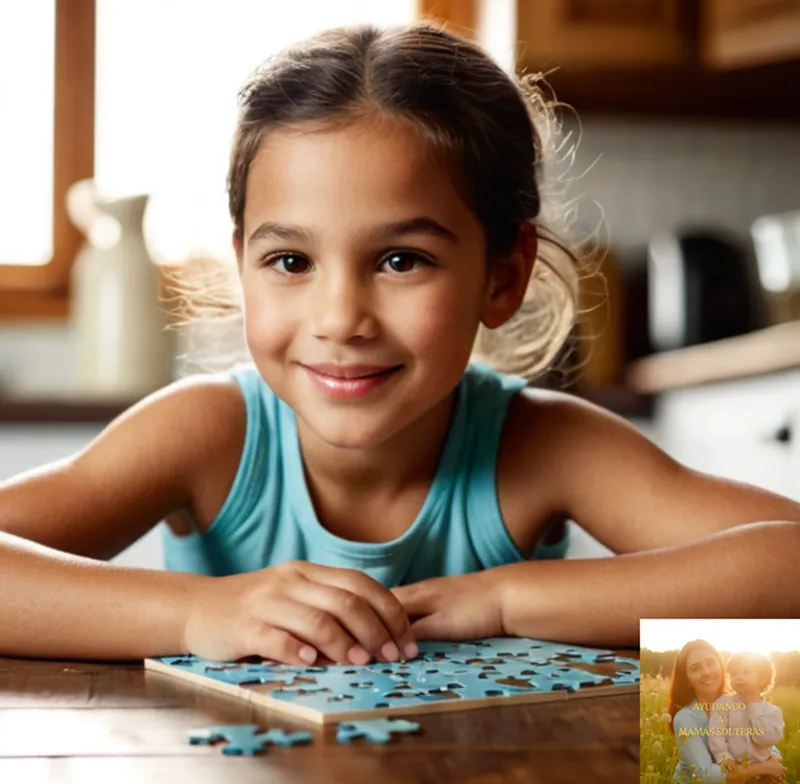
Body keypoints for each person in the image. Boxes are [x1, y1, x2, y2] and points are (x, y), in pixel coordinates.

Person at [0, 22, 799, 667]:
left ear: (502, 276)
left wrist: (504, 599)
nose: (341, 318)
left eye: (400, 260)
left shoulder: (546, 444)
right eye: (291, 262)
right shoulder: (206, 434)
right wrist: (200, 612)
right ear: (242, 266)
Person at [668, 641, 786, 784]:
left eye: (711, 663)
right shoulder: (686, 718)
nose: (706, 672)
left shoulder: (740, 700)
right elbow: (707, 774)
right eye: (695, 668)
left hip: (737, 782)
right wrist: (765, 768)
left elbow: (760, 738)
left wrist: (775, 759)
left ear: (721, 666)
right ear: (687, 678)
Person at [707, 652, 785, 784]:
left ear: (762, 678)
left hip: (761, 768)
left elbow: (767, 739)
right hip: (735, 766)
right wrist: (723, 756)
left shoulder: (772, 711)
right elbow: (716, 733)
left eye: (746, 672)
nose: (739, 677)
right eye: (734, 674)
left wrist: (754, 705)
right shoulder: (723, 703)